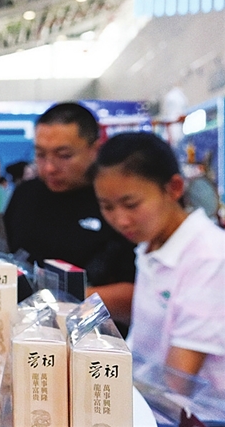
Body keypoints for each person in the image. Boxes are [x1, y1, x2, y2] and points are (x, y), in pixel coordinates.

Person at [91, 131, 225, 392]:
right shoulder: (150, 245)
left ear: (173, 188)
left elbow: (178, 383)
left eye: (131, 204)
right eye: (107, 206)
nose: (121, 220)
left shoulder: (210, 258)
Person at [3, 102, 136, 326]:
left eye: (63, 155)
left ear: (95, 149)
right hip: (26, 328)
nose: (49, 167)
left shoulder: (115, 200)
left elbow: (139, 293)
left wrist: (59, 299)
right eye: (40, 155)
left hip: (98, 333)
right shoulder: (25, 194)